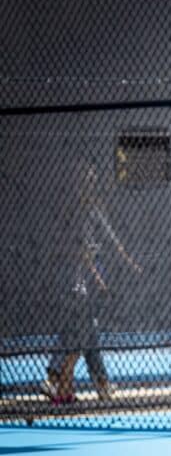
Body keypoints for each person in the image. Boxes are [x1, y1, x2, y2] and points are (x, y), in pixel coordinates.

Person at [41, 162, 142, 404]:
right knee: (83, 331)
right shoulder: (76, 213)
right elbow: (82, 252)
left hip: (87, 279)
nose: (89, 184)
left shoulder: (95, 210)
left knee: (84, 332)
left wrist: (128, 262)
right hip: (78, 282)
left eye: (92, 180)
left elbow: (111, 240)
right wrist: (97, 279)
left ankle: (66, 382)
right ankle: (72, 380)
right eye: (85, 180)